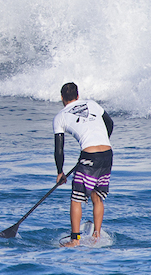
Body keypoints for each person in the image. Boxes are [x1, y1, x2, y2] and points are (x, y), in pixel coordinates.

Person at [53, 82, 114, 247]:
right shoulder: (92, 104)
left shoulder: (60, 116)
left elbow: (59, 148)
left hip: (89, 156)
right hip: (107, 153)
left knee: (76, 199)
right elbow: (110, 123)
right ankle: (97, 235)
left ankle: (75, 240)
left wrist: (60, 172)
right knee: (97, 196)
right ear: (78, 96)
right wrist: (101, 141)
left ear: (62, 98)